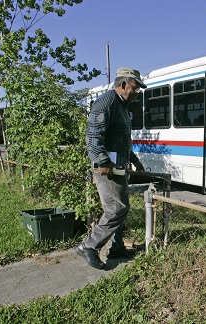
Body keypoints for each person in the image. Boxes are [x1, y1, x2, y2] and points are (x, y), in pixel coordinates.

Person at [75, 67, 146, 270]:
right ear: (123, 85)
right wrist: (102, 161)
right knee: (116, 208)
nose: (137, 92)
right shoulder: (107, 102)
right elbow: (93, 136)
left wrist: (134, 159)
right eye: (135, 88)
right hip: (108, 167)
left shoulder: (121, 105)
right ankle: (89, 246)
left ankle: (116, 248)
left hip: (119, 165)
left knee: (120, 208)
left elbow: (122, 139)